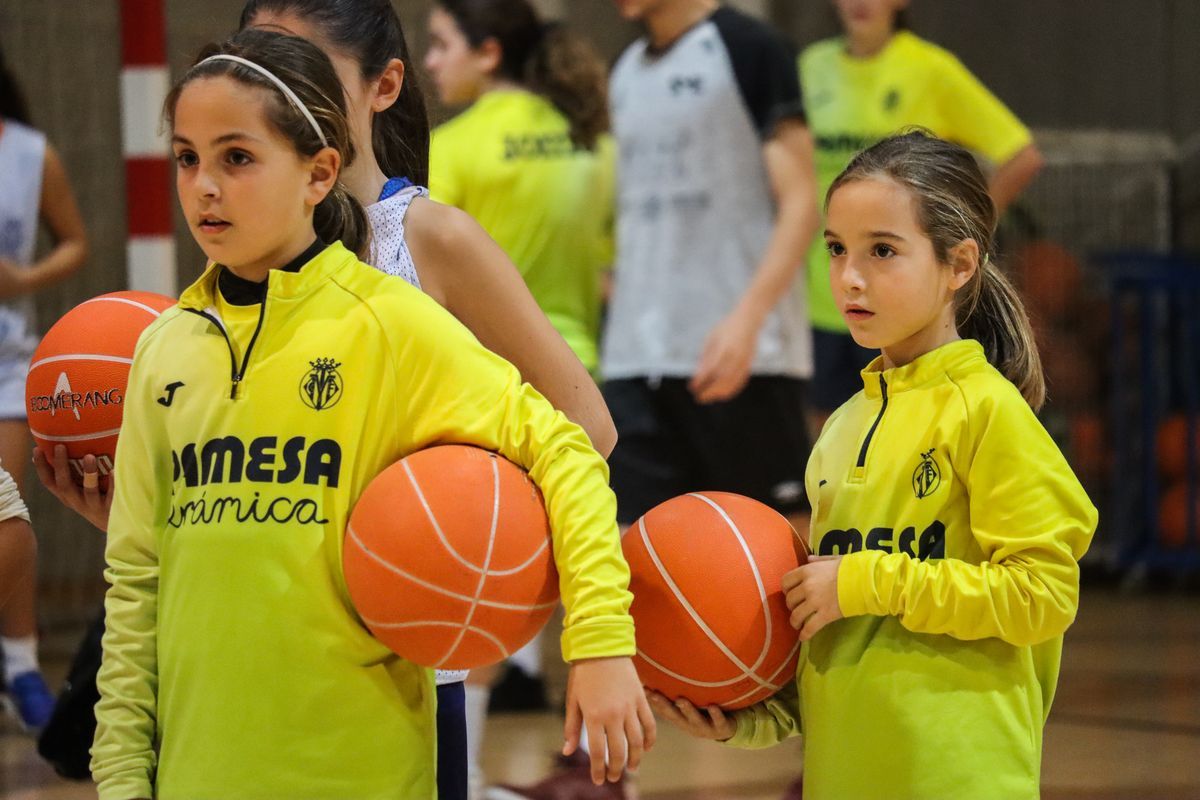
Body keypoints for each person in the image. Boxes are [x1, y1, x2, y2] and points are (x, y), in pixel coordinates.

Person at [33, 1, 619, 797]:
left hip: (385, 703)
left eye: (236, 155)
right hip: (220, 730)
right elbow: (165, 565)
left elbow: (578, 438)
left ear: (375, 93)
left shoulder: (405, 281)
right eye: (187, 157)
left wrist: (479, 559)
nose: (205, 183)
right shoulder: (192, 321)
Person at [647, 131, 1098, 800]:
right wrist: (750, 720)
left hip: (961, 781)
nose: (850, 277)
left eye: (882, 250)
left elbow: (1043, 596)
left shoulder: (987, 411)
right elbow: (843, 640)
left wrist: (869, 581)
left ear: (959, 263)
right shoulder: (841, 428)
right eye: (837, 249)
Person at [422, 2, 615, 795]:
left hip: (492, 386)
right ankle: (601, 765)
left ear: (489, 52)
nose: (432, 62)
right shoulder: (590, 139)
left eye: (442, 44)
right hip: (582, 376)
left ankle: (463, 775)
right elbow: (607, 260)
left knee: (471, 583)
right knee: (579, 569)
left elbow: (424, 275)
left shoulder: (455, 147)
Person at [602, 0, 818, 542]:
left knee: (771, 554)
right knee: (635, 557)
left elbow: (801, 202)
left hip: (741, 356)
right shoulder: (625, 71)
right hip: (636, 356)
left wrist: (747, 321)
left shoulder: (750, 48)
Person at [800, 0, 1044, 426]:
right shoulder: (810, 67)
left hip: (901, 299)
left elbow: (1021, 157)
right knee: (834, 436)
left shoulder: (930, 69)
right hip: (821, 296)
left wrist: (960, 228)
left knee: (915, 429)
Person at [0, 39, 88, 731]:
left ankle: (22, 663)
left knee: (8, 521)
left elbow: (75, 241)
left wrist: (26, 278)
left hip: (6, 362)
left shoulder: (33, 155)